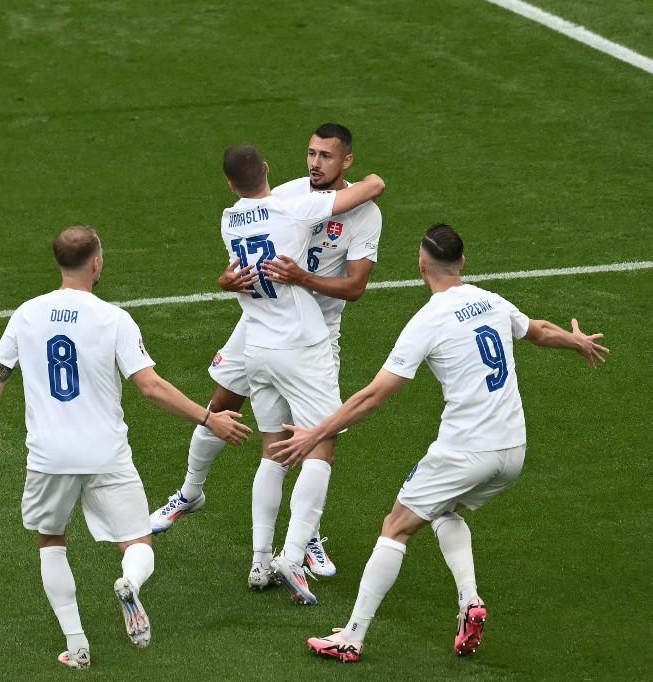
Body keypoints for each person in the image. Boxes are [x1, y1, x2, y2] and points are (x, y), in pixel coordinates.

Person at [269, 224, 608, 661]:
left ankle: (352, 636)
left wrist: (316, 433)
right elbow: (538, 330)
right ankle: (469, 602)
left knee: (396, 526)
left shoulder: (428, 320)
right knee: (443, 509)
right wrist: (575, 341)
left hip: (466, 450)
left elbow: (373, 396)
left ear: (421, 265)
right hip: (513, 451)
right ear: (462, 262)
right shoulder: (490, 299)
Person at [0, 226, 251, 670]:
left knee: (51, 540)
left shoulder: (26, 314)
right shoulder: (113, 319)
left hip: (49, 455)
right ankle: (130, 584)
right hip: (106, 452)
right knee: (137, 540)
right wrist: (208, 417)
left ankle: (77, 645)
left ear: (59, 262)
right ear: (96, 262)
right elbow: (151, 387)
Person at [150, 124, 383, 583]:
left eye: (326, 156)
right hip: (261, 324)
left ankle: (303, 536)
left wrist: (303, 279)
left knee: (301, 437)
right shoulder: (292, 195)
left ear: (346, 161)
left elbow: (355, 286)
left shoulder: (364, 215)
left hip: (315, 328)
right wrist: (225, 280)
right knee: (224, 406)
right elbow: (250, 251)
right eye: (311, 153)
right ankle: (190, 494)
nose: (315, 163)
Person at [212, 144, 383, 604]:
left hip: (257, 348)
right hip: (302, 344)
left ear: (230, 185)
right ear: (267, 169)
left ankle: (259, 561)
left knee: (273, 453)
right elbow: (369, 189)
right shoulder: (293, 208)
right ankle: (291, 556)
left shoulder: (229, 220)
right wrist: (365, 177)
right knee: (320, 444)